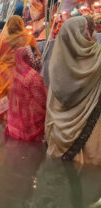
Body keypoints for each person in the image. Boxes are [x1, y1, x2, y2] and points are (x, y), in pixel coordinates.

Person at [45, 16, 101, 166]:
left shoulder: (56, 65)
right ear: (84, 34)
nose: (95, 34)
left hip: (58, 139)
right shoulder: (98, 59)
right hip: (91, 142)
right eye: (92, 29)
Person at [0, 15, 39, 120]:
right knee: (16, 118)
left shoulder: (2, 42)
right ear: (21, 25)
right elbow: (35, 61)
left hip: (1, 79)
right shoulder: (28, 39)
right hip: (19, 80)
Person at [5, 46, 47, 141]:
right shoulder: (34, 77)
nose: (39, 59)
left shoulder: (16, 75)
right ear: (27, 59)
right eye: (35, 56)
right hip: (30, 131)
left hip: (14, 129)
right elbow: (43, 103)